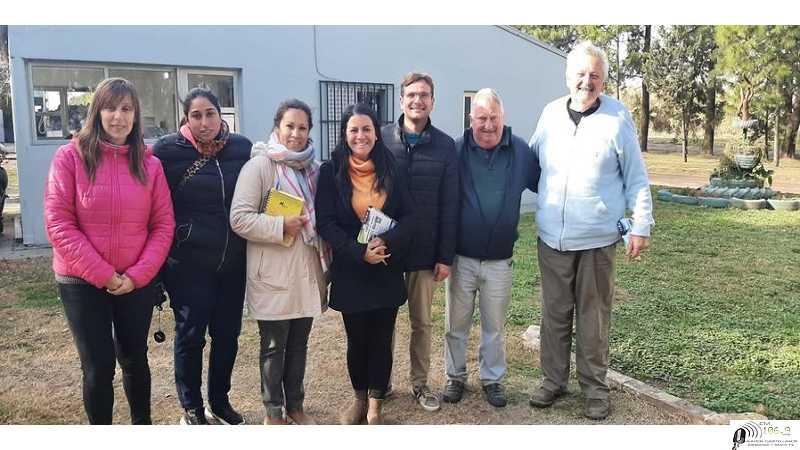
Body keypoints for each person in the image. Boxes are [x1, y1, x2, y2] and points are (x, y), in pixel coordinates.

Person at [527, 41, 654, 420]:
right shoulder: (550, 114)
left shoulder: (618, 118)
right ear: (568, 77)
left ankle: (595, 389)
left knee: (593, 318)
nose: (587, 81)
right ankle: (552, 381)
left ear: (604, 81)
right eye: (580, 74)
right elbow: (531, 164)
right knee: (554, 315)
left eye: (595, 75)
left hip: (598, 242)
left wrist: (641, 224)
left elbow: (637, 179)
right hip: (552, 239)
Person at [44, 77, 175, 424]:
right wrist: (104, 275)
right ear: (96, 111)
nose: (119, 116)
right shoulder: (70, 158)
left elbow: (162, 226)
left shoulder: (151, 165)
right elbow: (59, 223)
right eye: (110, 107)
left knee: (135, 360)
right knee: (99, 366)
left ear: (136, 116)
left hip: (135, 282)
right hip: (81, 282)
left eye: (127, 108)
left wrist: (136, 276)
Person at [153, 88, 251, 425]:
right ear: (186, 118)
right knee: (191, 335)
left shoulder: (242, 148)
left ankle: (220, 401)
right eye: (196, 116)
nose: (204, 122)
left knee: (227, 335)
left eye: (210, 114)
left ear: (220, 114)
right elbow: (152, 201)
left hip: (232, 262)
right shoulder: (167, 151)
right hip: (188, 265)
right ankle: (192, 406)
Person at [315, 103, 416, 425]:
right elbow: (326, 223)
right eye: (354, 130)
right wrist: (359, 253)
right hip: (351, 269)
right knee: (357, 341)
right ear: (345, 135)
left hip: (386, 266)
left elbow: (412, 217)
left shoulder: (393, 168)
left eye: (366, 129)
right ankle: (359, 399)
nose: (361, 135)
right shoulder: (331, 172)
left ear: (376, 133)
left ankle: (375, 405)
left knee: (382, 339)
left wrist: (385, 243)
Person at [230, 99, 327, 425]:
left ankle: (296, 406)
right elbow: (239, 219)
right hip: (272, 272)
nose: (296, 134)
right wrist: (279, 226)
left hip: (305, 271)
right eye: (290, 126)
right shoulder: (259, 166)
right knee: (274, 346)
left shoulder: (314, 170)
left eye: (302, 128)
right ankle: (273, 412)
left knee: (298, 345)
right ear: (277, 128)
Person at [442, 88, 540, 408]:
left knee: (494, 327)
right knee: (456, 324)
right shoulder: (456, 151)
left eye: (493, 118)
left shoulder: (521, 151)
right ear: (471, 119)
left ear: (503, 118)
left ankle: (493, 379)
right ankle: (455, 376)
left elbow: (550, 184)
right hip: (461, 258)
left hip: (499, 260)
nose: (487, 125)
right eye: (481, 118)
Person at [380, 72, 458, 412]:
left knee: (422, 322)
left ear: (432, 101)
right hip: (384, 249)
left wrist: (445, 255)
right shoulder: (381, 138)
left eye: (424, 95)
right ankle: (379, 383)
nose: (417, 100)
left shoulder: (445, 146)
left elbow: (450, 204)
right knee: (383, 319)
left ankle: (420, 382)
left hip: (425, 252)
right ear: (401, 100)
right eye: (411, 94)